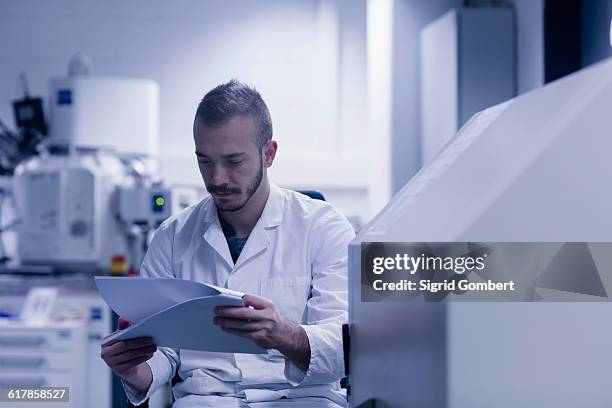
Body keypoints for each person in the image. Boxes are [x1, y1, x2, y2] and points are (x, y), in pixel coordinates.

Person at [100, 80, 355, 407]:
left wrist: (283, 334)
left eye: (233, 161)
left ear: (269, 153)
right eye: (205, 161)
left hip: (300, 399)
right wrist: (135, 369)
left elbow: (345, 349)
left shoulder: (323, 227)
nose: (217, 178)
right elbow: (164, 352)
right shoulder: (173, 237)